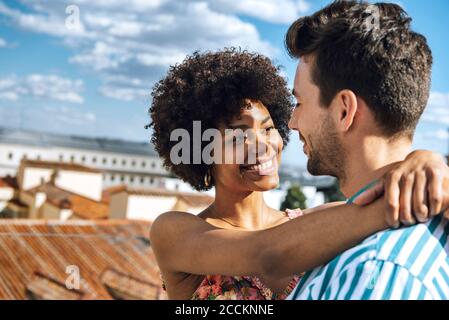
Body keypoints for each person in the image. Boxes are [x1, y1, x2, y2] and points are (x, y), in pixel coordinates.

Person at [148, 48, 449, 300]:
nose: (263, 145)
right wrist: (404, 197)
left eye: (268, 128)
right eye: (238, 135)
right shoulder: (174, 232)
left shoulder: (323, 224)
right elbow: (267, 253)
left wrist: (426, 162)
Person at [285, 0, 449, 300]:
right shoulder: (410, 240)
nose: (292, 122)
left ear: (345, 110)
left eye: (299, 103)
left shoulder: (376, 269)